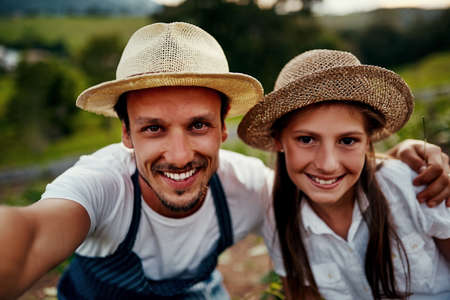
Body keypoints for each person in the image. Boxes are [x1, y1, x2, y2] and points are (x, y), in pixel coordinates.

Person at [0, 23, 447, 300]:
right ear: (125, 135)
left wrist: (399, 161)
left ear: (222, 127)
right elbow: (28, 233)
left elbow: (324, 168)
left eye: (197, 125)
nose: (178, 155)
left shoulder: (253, 186)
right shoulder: (99, 185)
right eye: (153, 128)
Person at [238, 49, 450, 299]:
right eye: (306, 139)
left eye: (348, 140)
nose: (328, 164)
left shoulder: (415, 185)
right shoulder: (278, 216)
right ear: (278, 141)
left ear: (368, 140)